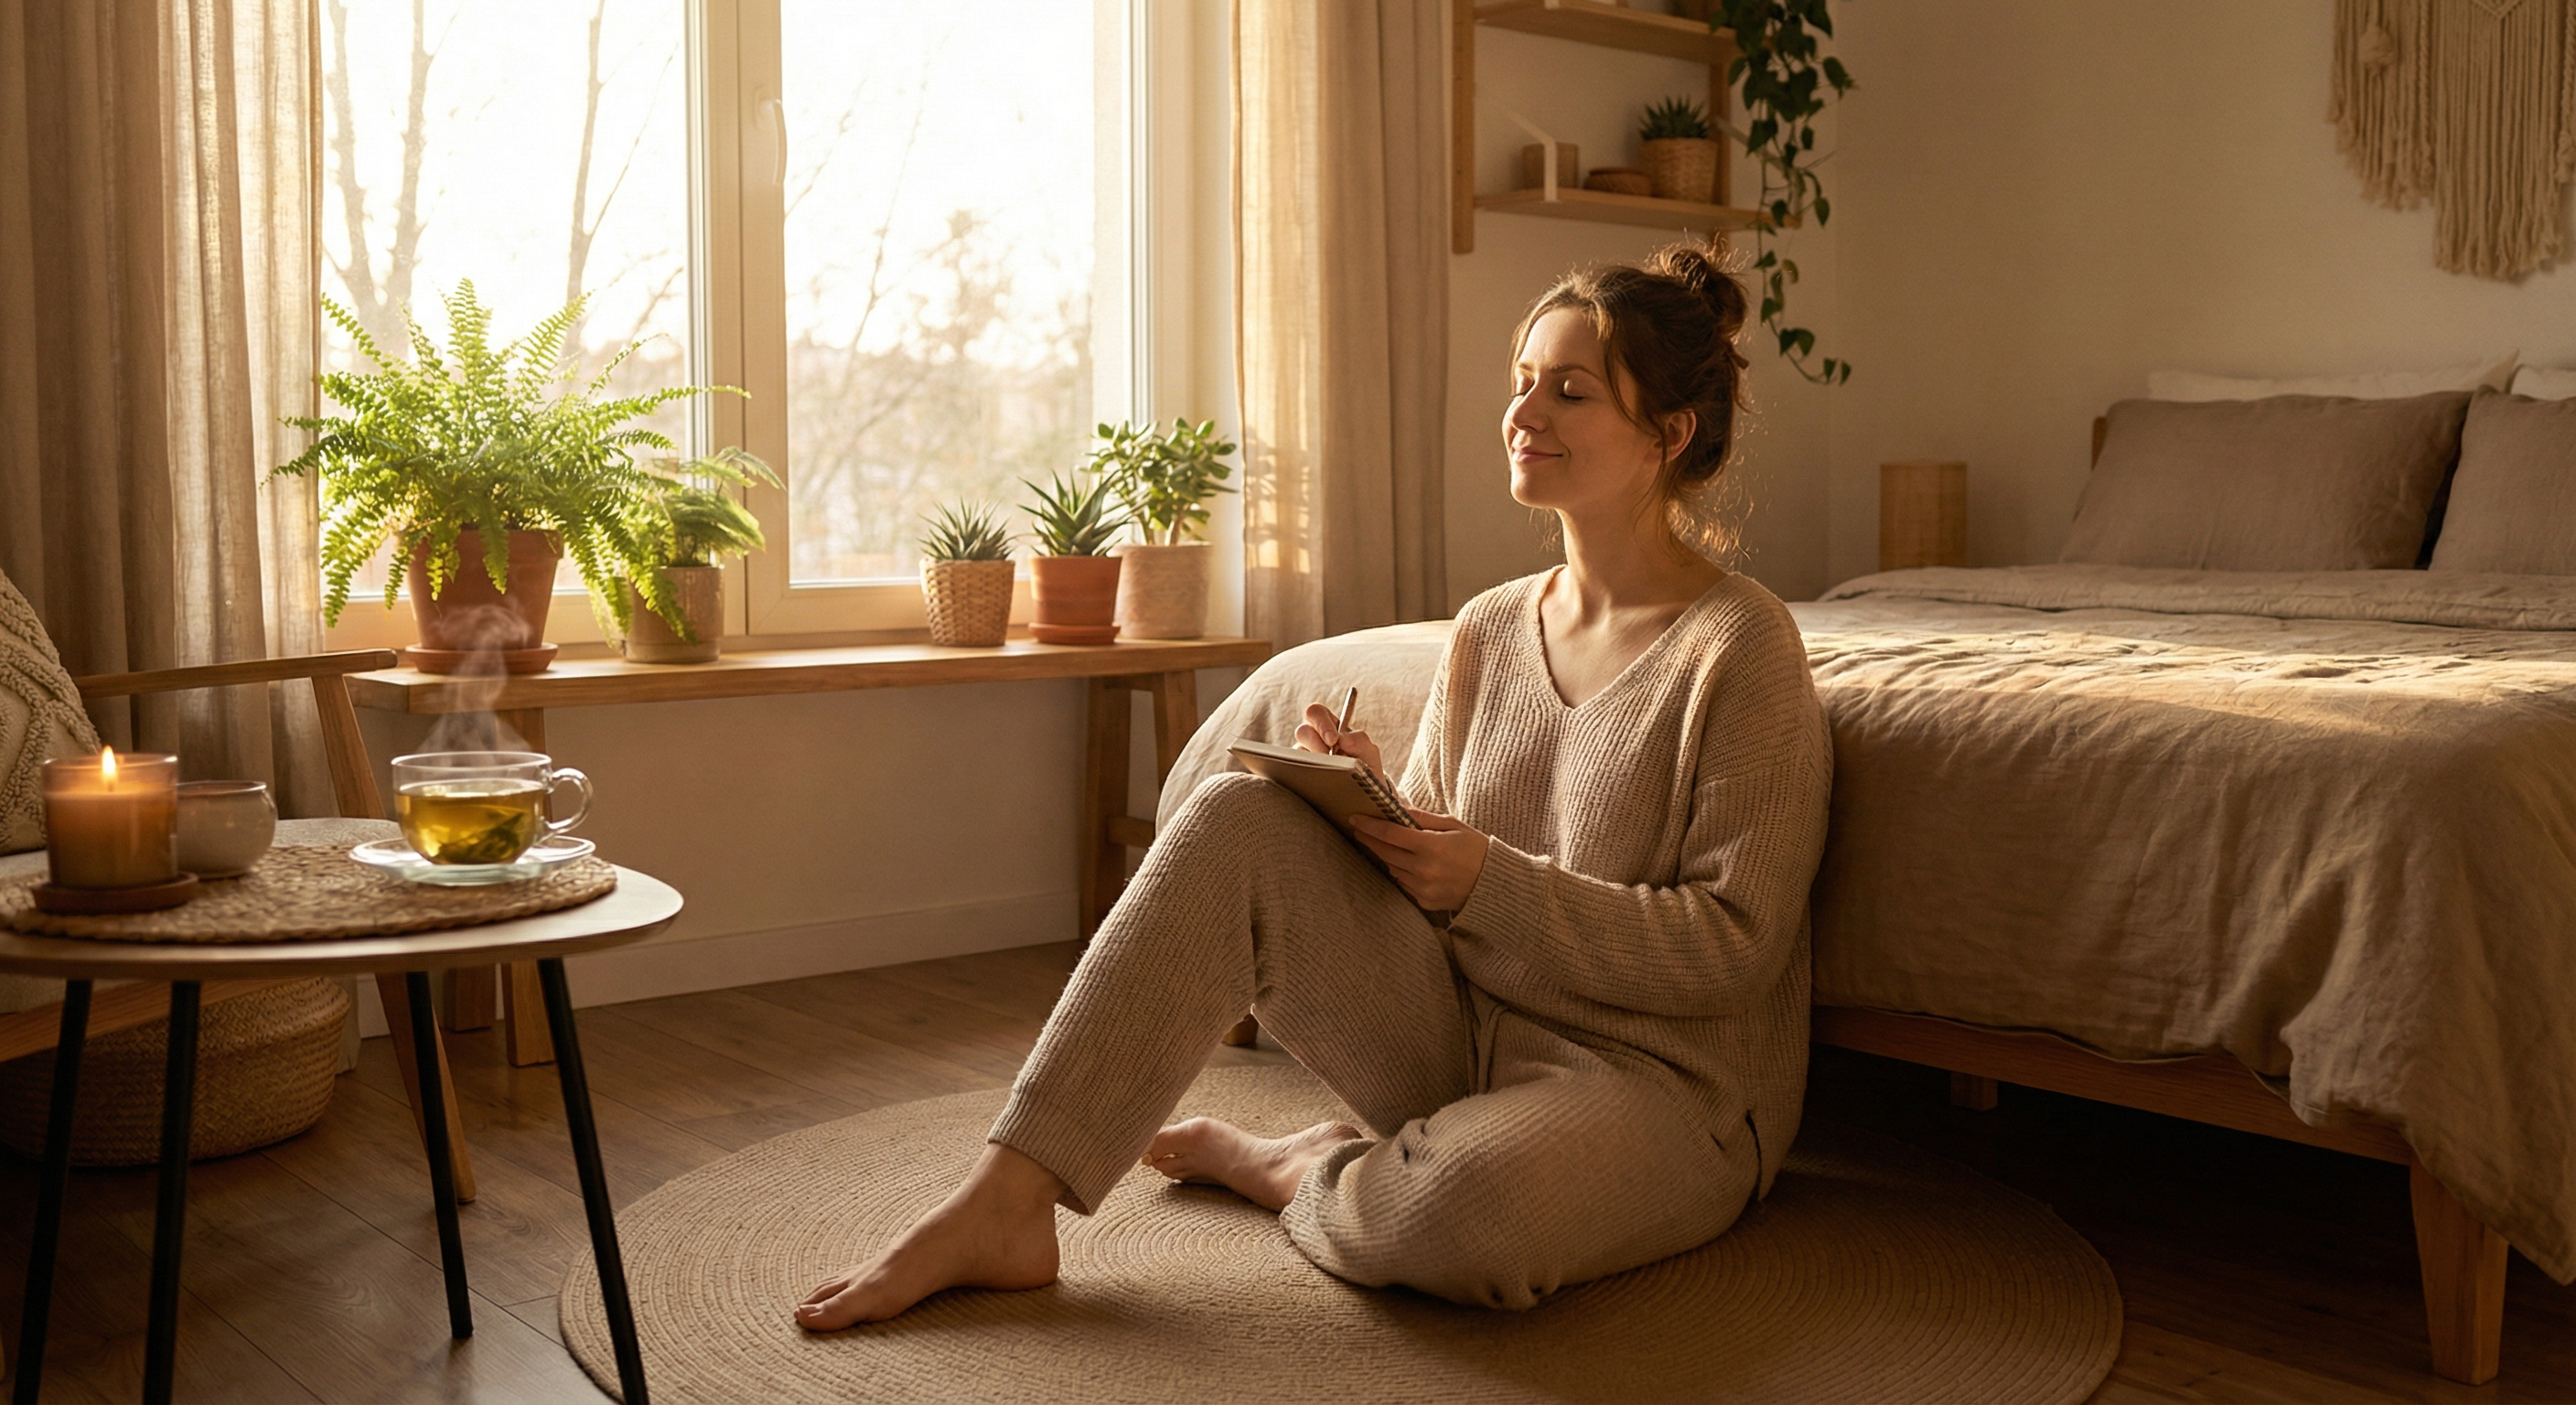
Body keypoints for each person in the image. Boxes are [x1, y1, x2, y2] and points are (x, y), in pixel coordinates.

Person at [796, 239, 1833, 1327]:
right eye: (1520, 383)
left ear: (1668, 435)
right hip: (1466, 1037)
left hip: (1660, 1084)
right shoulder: (1486, 626)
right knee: (1242, 811)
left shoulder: (1741, 647)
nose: (1524, 413)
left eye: (1568, 391)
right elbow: (1441, 877)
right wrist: (1377, 808)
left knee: (1461, 1213)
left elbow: (1734, 947)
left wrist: (1486, 879)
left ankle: (1292, 1170)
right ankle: (1005, 1201)